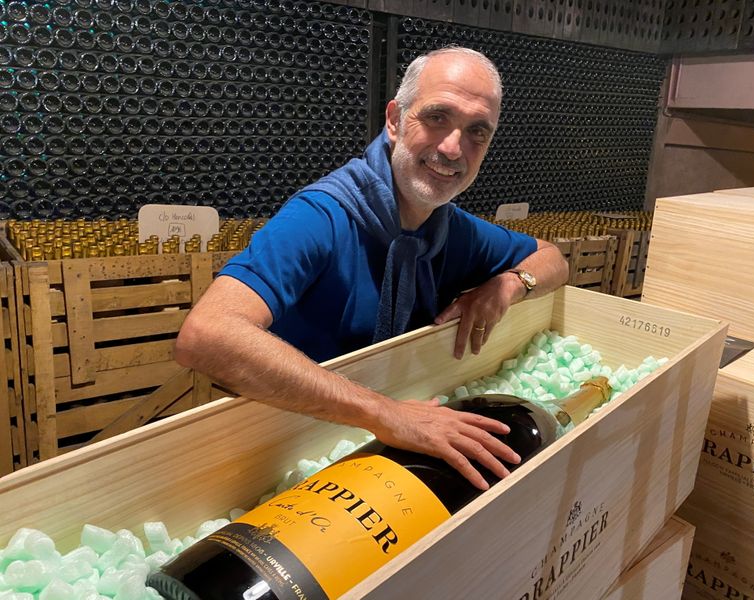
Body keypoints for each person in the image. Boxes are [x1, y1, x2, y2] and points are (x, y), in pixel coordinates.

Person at [175, 47, 569, 490]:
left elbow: (553, 258)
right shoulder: (320, 217)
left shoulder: (452, 228)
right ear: (395, 121)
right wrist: (385, 413)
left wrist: (509, 285)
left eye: (477, 131)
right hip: (281, 459)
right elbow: (205, 335)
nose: (453, 148)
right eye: (437, 117)